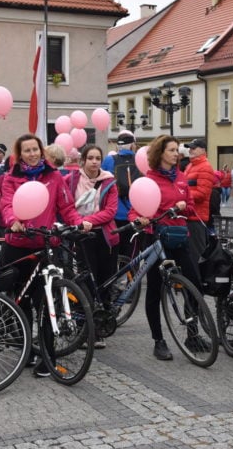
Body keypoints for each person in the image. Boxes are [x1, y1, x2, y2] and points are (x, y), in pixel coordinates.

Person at [0, 134, 84, 377]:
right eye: (27, 151)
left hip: (45, 246)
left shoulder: (54, 176)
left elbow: (66, 207)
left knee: (46, 303)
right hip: (17, 246)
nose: (32, 154)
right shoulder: (11, 178)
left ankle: (48, 356)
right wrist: (12, 221)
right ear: (20, 153)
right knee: (21, 302)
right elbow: (6, 206)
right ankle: (27, 350)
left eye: (36, 149)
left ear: (41, 151)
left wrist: (78, 223)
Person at [128, 135, 204, 361]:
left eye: (176, 150)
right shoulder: (148, 180)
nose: (176, 153)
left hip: (180, 236)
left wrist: (184, 206)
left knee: (194, 285)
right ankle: (158, 340)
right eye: (171, 150)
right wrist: (139, 219)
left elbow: (191, 208)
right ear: (160, 153)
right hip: (156, 239)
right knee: (154, 289)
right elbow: (136, 208)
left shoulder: (181, 178)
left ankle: (193, 335)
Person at [64, 145, 119, 349]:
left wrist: (90, 221)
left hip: (104, 237)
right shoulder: (71, 180)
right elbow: (66, 205)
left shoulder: (109, 181)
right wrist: (79, 222)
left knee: (104, 282)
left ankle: (99, 327)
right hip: (81, 236)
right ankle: (82, 327)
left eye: (98, 158)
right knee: (85, 281)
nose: (95, 162)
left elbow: (110, 211)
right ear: (83, 161)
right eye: (91, 158)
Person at [101, 131, 141, 259]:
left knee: (114, 252)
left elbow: (102, 184)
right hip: (136, 212)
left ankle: (116, 276)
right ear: (132, 145)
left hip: (115, 212)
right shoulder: (140, 159)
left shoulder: (109, 160)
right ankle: (132, 278)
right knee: (131, 252)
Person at [183, 138, 216, 262]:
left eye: (193, 148)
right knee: (188, 254)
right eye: (190, 148)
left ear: (202, 150)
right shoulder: (190, 165)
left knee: (196, 254)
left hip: (197, 217)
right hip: (188, 215)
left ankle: (198, 280)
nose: (190, 150)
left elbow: (202, 193)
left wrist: (183, 195)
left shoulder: (205, 167)